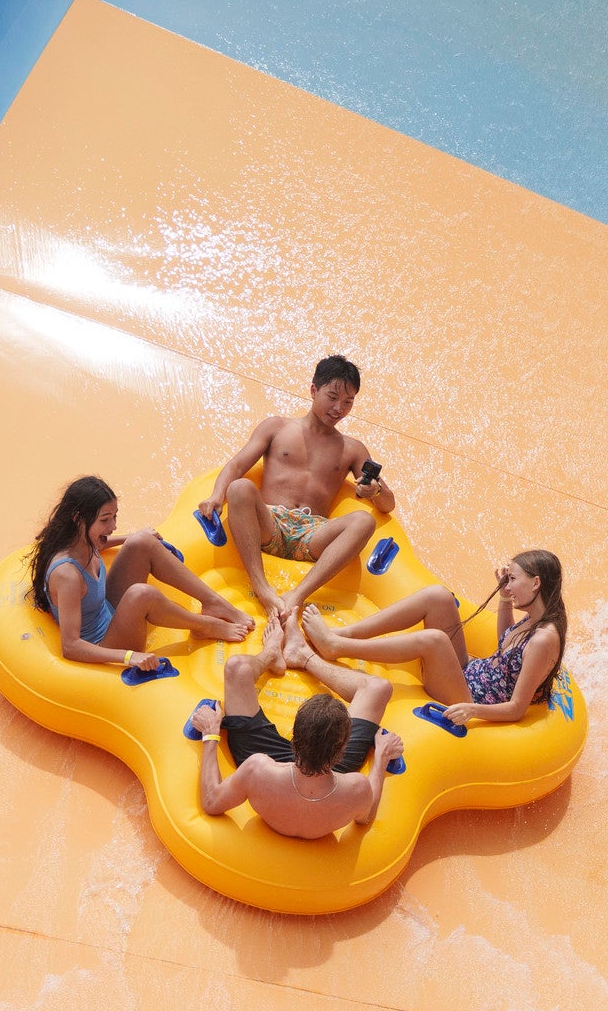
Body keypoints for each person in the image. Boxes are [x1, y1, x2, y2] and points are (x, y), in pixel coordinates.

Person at [195, 355, 395, 624]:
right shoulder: (277, 427)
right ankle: (262, 587)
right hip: (270, 521)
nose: (339, 408)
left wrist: (376, 490)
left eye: (348, 402)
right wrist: (216, 496)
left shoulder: (352, 448)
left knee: (363, 520)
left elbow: (388, 505)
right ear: (314, 390)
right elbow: (236, 465)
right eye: (332, 397)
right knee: (240, 487)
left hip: (313, 534)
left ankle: (298, 594)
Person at [303, 549, 567, 731]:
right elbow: (506, 646)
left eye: (512, 580)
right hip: (469, 675)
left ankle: (336, 646)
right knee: (437, 596)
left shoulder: (544, 639)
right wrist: (504, 600)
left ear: (535, 583)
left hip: (471, 697)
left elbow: (517, 708)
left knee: (435, 640)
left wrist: (471, 710)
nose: (506, 586)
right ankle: (342, 634)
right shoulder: (534, 617)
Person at [190, 611, 398, 840]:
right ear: (342, 748)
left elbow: (211, 802)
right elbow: (365, 817)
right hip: (334, 778)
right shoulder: (356, 788)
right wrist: (380, 760)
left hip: (272, 776)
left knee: (237, 666)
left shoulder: (256, 769)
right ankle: (298, 656)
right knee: (379, 687)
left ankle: (285, 654)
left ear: (294, 735)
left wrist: (210, 735)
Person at [32, 474, 250, 670]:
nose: (113, 526)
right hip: (105, 643)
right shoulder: (67, 575)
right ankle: (204, 626)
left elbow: (101, 544)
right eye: (105, 520)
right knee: (141, 594)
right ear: (78, 519)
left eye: (114, 516)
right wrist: (129, 657)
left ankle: (212, 601)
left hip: (108, 611)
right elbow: (70, 647)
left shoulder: (83, 541)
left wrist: (133, 536)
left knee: (142, 542)